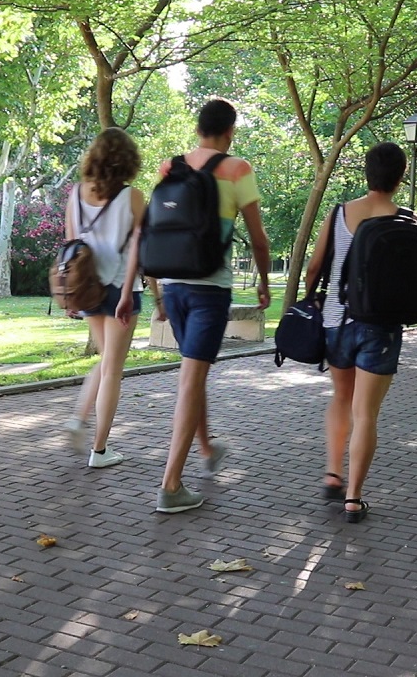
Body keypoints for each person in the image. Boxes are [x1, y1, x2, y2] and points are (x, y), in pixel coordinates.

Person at [303, 142, 417, 523]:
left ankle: (333, 472)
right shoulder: (409, 220)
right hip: (382, 326)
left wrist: (310, 297)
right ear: (401, 175)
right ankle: (353, 498)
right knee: (366, 414)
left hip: (337, 321)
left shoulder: (340, 213)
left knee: (341, 397)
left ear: (366, 172)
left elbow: (315, 266)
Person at [155, 99, 272, 514]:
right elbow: (258, 239)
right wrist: (262, 282)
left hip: (172, 286)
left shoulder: (170, 168)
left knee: (193, 371)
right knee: (190, 379)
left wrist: (155, 291)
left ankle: (206, 447)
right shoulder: (237, 169)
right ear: (230, 132)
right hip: (209, 291)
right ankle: (170, 486)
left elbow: (157, 227)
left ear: (198, 128)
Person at [61, 128, 150, 469]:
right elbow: (139, 252)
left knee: (105, 360)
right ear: (128, 161)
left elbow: (71, 247)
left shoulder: (75, 194)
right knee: (113, 367)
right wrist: (128, 293)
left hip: (86, 286)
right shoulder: (134, 197)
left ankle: (78, 418)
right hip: (120, 286)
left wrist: (71, 297)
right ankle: (99, 450)